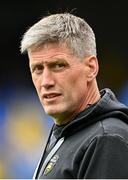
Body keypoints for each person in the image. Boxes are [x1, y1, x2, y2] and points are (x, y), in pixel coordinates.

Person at [20, 12, 128, 179]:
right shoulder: (70, 130)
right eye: (38, 69)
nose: (45, 81)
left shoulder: (106, 140)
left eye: (58, 65)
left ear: (91, 68)